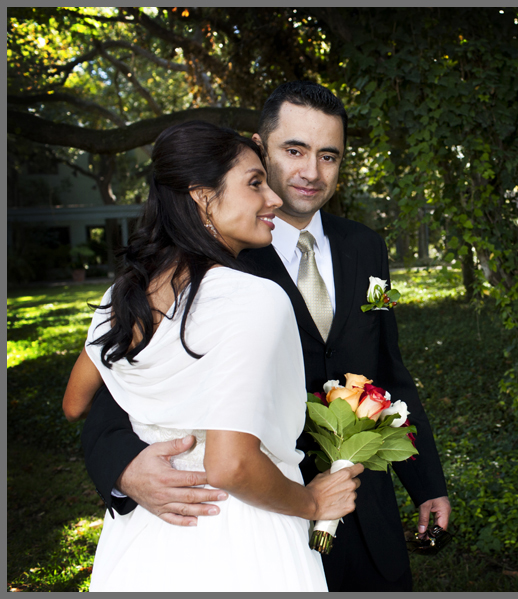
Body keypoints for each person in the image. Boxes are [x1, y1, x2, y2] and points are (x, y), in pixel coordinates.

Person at [81, 81, 451, 592]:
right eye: (294, 150)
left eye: (329, 156)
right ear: (261, 147)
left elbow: (389, 369)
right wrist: (122, 468)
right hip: (259, 513)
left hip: (364, 507)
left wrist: (427, 482)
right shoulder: (214, 257)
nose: (311, 172)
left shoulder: (367, 249)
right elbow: (116, 385)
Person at [64, 120, 363, 592]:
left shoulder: (125, 293)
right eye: (254, 183)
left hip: (145, 536)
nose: (274, 199)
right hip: (240, 533)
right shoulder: (252, 297)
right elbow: (230, 465)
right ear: (202, 197)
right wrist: (310, 503)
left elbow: (74, 403)